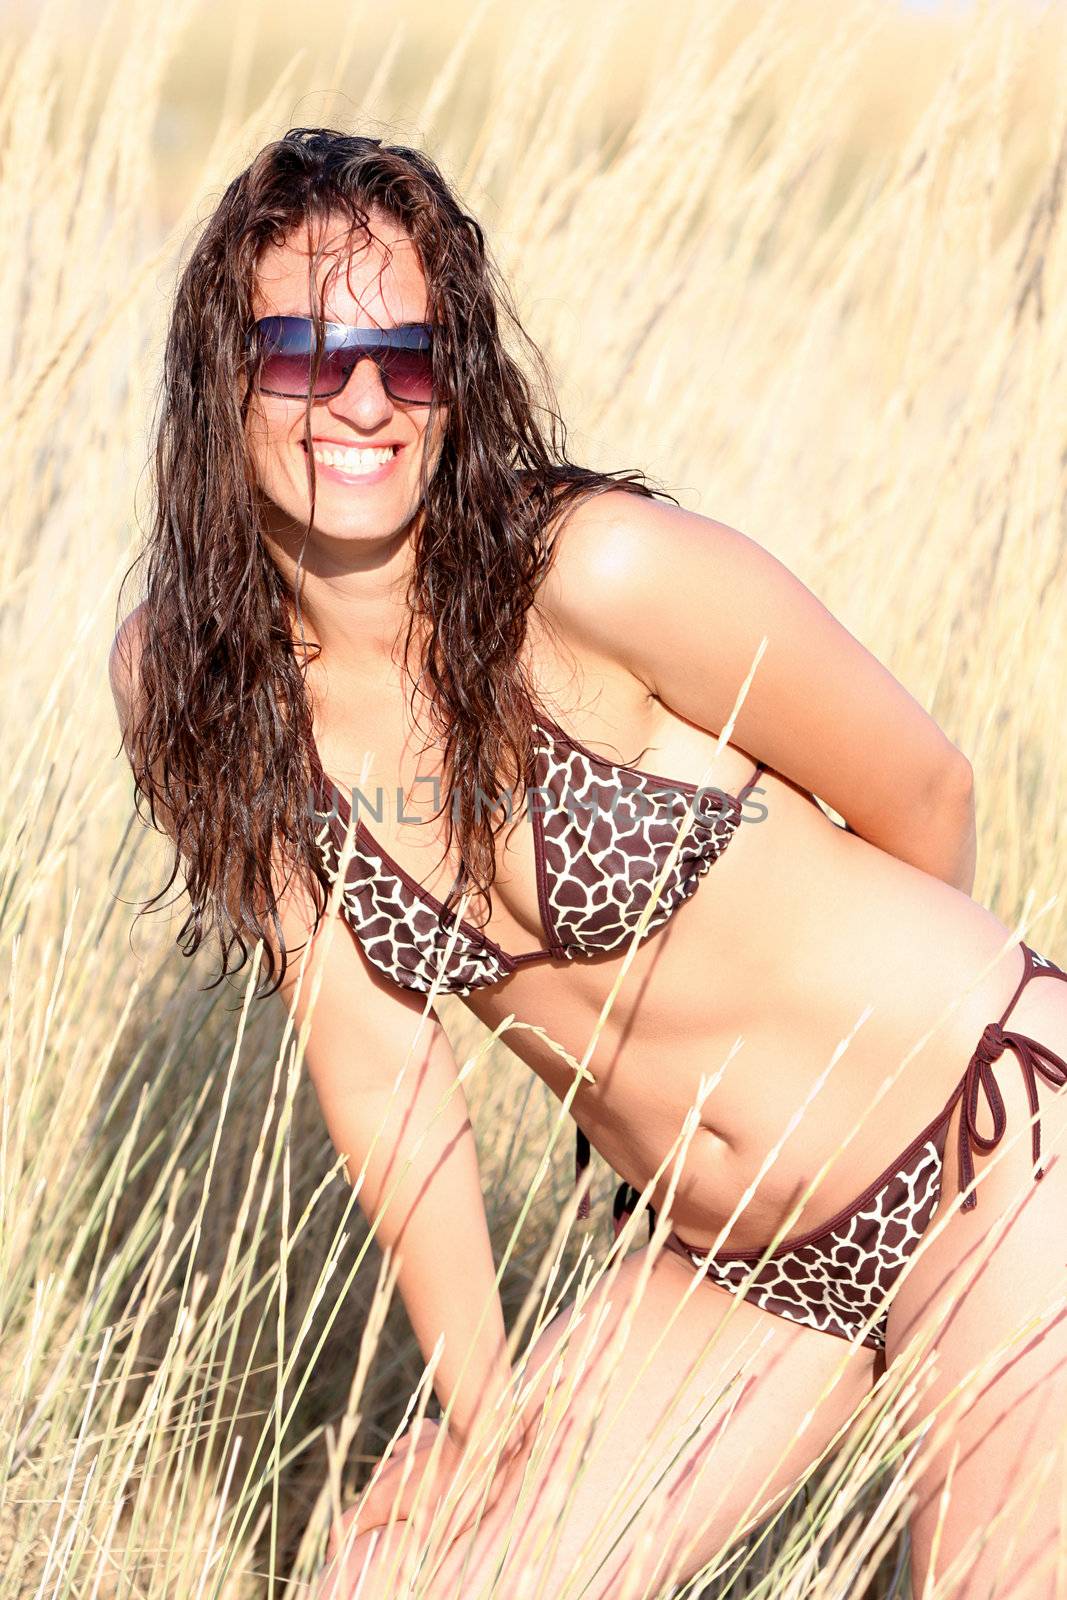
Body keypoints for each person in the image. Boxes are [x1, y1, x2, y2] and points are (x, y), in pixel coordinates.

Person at [108, 127, 1067, 1599]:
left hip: (991, 1152)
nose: (358, 398)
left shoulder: (596, 576)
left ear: (454, 380)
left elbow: (923, 793)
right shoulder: (203, 687)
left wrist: (892, 1088)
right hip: (728, 1259)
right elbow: (379, 1067)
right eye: (300, 351)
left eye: (406, 357)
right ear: (217, 379)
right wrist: (492, 1417)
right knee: (405, 1583)